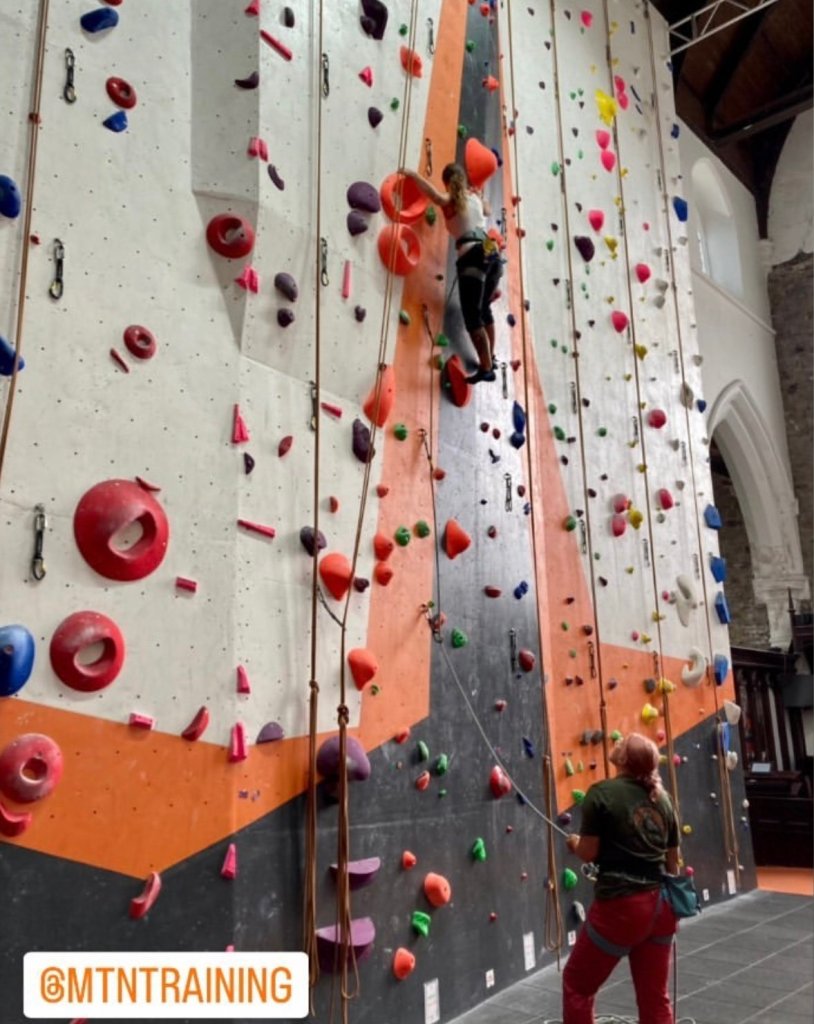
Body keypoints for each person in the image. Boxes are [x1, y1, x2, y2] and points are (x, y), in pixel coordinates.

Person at [562, 733, 680, 1024]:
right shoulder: (663, 800)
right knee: (655, 998)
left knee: (577, 984)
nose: (617, 743)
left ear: (625, 759)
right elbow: (673, 863)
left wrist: (574, 843)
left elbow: (588, 853)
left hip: (623, 906)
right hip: (662, 908)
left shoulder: (602, 793)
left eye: (622, 743)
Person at [400, 163, 502, 383]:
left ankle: (486, 368)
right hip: (491, 252)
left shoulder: (452, 201)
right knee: (484, 310)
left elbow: (435, 196)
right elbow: (488, 209)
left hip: (472, 256)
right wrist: (480, 194)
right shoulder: (473, 197)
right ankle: (489, 360)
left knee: (473, 319)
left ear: (448, 182)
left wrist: (412, 175)